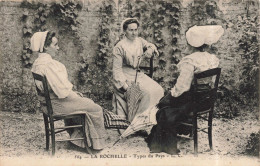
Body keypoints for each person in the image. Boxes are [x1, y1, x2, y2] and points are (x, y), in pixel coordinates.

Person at [146, 25, 224, 154]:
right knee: (166, 104)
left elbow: (182, 87)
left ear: (191, 44)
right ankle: (181, 131)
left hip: (193, 103)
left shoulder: (190, 61)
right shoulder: (212, 59)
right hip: (206, 101)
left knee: (163, 108)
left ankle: (165, 145)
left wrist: (171, 95)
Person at [30, 31, 106, 152]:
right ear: (45, 47)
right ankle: (95, 145)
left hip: (48, 104)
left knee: (83, 101)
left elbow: (56, 89)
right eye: (55, 45)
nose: (58, 48)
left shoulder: (37, 63)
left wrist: (76, 96)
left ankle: (78, 140)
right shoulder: (48, 65)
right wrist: (76, 96)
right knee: (95, 108)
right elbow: (62, 92)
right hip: (56, 106)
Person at [112, 18, 164, 126]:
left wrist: (150, 49)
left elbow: (150, 45)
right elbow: (117, 70)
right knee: (147, 93)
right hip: (125, 75)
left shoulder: (139, 41)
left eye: (136, 30)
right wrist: (124, 86)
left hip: (137, 74)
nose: (134, 33)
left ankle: (150, 121)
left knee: (158, 90)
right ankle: (138, 123)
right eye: (131, 30)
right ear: (125, 31)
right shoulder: (119, 47)